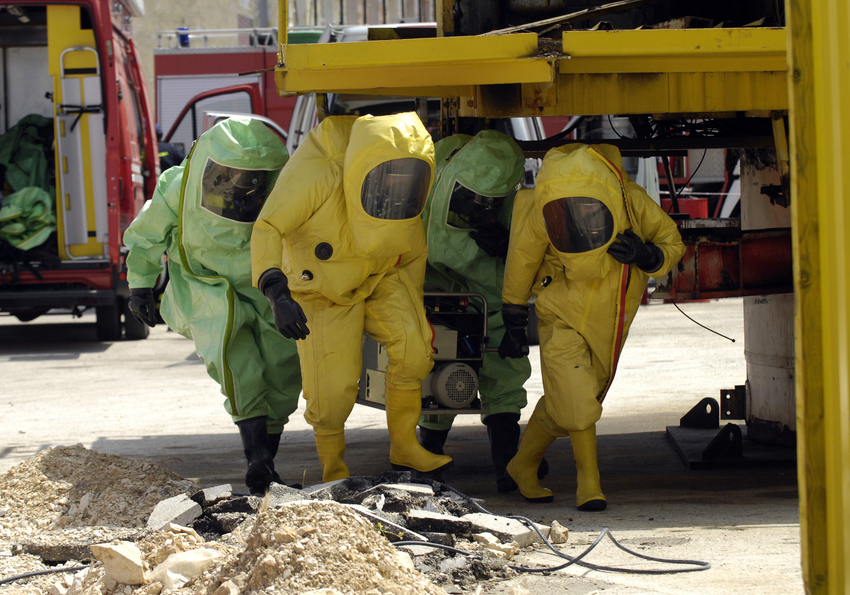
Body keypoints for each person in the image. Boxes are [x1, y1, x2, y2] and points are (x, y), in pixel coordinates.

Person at [251, 112, 452, 483]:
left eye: (405, 179)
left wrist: (413, 307)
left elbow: (411, 249)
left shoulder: (408, 181)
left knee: (415, 349)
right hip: (322, 286)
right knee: (332, 391)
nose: (397, 186)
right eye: (389, 179)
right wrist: (276, 290)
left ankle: (405, 447)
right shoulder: (319, 175)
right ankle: (333, 469)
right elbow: (268, 226)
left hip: (379, 271)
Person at [500, 143, 685, 510]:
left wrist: (647, 255)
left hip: (608, 320)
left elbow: (671, 242)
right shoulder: (541, 208)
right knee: (577, 397)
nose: (577, 216)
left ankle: (522, 465)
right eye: (567, 210)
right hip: (559, 314)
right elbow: (521, 262)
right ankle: (590, 484)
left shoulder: (630, 201)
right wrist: (514, 320)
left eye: (587, 207)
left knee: (568, 401)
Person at [123, 117, 302, 496]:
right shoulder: (180, 185)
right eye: (230, 174)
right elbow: (148, 235)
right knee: (238, 364)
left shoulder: (278, 189)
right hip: (205, 287)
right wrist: (140, 284)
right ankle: (257, 458)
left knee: (283, 370)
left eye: (251, 178)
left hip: (264, 286)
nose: (239, 184)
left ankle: (266, 463)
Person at [416, 129, 542, 493]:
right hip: (435, 289)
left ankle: (508, 465)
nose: (474, 208)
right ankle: (428, 458)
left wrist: (508, 245)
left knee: (503, 374)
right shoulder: (431, 173)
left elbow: (531, 257)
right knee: (439, 372)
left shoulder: (514, 204)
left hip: (491, 292)